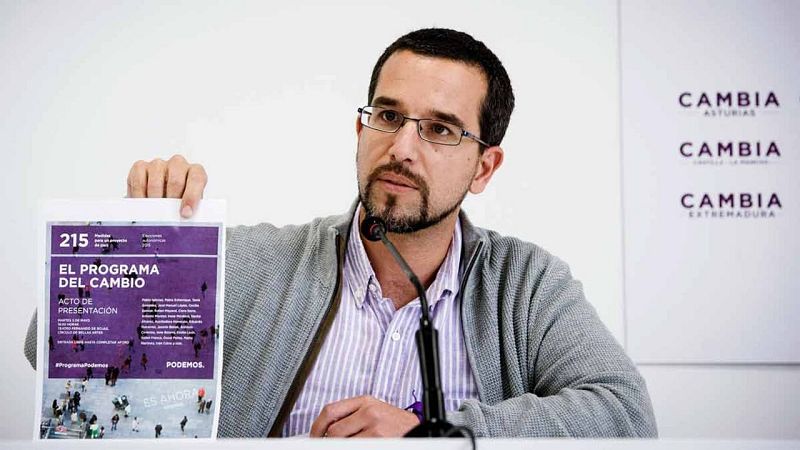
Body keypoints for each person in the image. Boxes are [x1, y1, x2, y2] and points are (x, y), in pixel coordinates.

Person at [24, 28, 656, 438]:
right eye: (388, 116)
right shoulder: (256, 262)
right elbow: (49, 351)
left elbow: (625, 413)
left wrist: (432, 434)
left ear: (484, 167)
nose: (402, 147)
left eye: (440, 129)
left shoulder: (526, 284)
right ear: (361, 130)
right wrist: (142, 238)